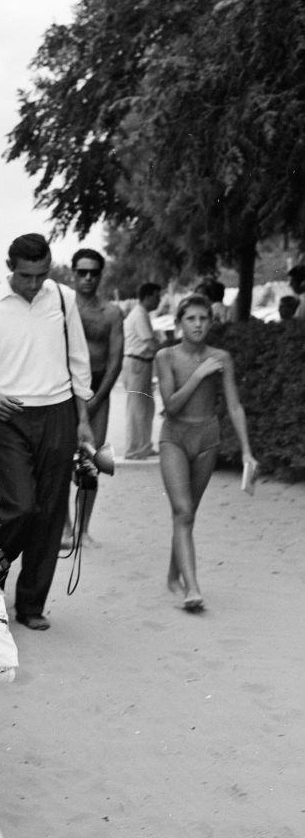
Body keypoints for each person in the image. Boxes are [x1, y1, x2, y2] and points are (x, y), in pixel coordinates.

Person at [0, 233, 94, 632]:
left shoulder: (64, 299)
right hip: (9, 415)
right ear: (9, 267)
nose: (34, 284)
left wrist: (83, 420)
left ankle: (31, 604)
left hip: (58, 413)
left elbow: (78, 362)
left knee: (50, 515)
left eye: (41, 275)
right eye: (25, 275)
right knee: (21, 506)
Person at [155, 294, 256, 613]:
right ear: (179, 323)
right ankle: (192, 588)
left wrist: (246, 452)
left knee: (187, 514)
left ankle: (175, 573)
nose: (198, 324)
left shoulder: (222, 357)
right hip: (175, 437)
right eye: (191, 319)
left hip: (207, 439)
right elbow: (170, 406)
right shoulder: (166, 356)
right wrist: (199, 374)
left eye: (203, 319)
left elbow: (234, 405)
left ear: (210, 322)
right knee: (183, 511)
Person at [62, 248, 123, 548]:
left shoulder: (111, 313)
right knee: (58, 461)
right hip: (63, 390)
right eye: (81, 272)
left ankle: (82, 531)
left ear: (101, 275)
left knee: (92, 462)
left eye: (93, 273)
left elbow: (115, 361)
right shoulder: (62, 308)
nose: (87, 278)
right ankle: (64, 528)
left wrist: (97, 399)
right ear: (73, 273)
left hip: (98, 390)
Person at [122, 281, 163, 459]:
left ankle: (143, 445)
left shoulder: (142, 313)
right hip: (137, 363)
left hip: (142, 363)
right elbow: (150, 342)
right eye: (156, 297)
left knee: (146, 407)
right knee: (137, 407)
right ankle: (134, 449)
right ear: (147, 297)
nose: (159, 300)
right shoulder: (139, 314)